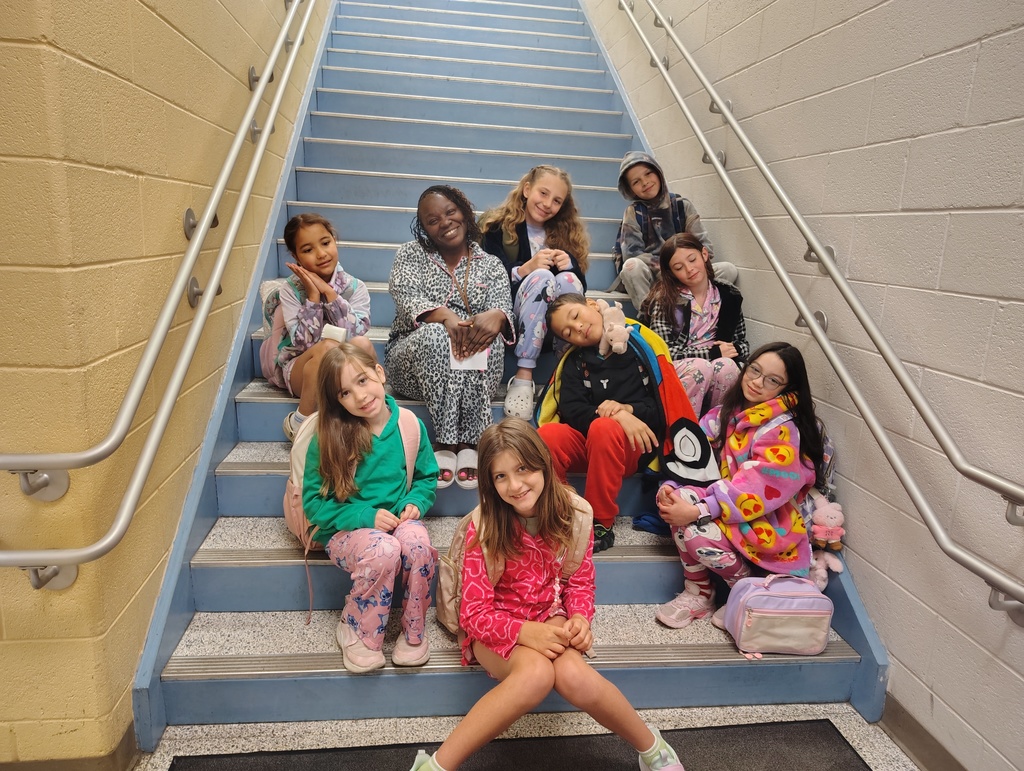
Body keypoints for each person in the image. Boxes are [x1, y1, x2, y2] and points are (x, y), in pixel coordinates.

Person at [408, 418, 686, 771]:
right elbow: (474, 614)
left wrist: (581, 617)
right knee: (536, 675)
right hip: (494, 626)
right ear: (489, 483)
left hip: (548, 616)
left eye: (523, 468)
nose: (515, 485)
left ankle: (654, 750)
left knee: (572, 675)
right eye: (500, 476)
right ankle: (434, 766)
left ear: (542, 462)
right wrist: (526, 632)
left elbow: (580, 582)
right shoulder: (485, 526)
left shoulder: (576, 515)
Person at [653, 342, 824, 629]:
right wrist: (671, 485)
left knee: (695, 530)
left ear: (787, 387)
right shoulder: (727, 413)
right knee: (677, 499)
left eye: (772, 380)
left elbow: (755, 489)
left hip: (764, 519)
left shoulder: (783, 429)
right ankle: (700, 593)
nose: (757, 382)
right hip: (724, 505)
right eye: (754, 370)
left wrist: (697, 511)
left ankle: (742, 589)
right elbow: (693, 455)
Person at [301, 343, 438, 672]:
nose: (360, 396)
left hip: (397, 521)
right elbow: (314, 504)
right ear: (338, 401)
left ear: (379, 373)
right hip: (347, 531)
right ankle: (357, 626)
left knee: (418, 546)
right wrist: (364, 516)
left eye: (362, 381)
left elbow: (426, 477)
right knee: (385, 549)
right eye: (345, 393)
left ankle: (413, 631)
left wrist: (415, 502)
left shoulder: (409, 425)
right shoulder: (330, 437)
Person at [385, 185, 515, 490]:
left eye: (450, 212)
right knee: (435, 335)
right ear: (424, 228)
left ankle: (471, 440)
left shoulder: (491, 264)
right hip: (416, 363)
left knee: (489, 336)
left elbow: (503, 308)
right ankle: (446, 441)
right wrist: (445, 318)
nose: (444, 222)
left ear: (464, 211)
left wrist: (495, 316)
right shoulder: (411, 254)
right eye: (432, 220)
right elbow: (406, 298)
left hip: (477, 361)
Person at [536, 293, 663, 553]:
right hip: (589, 443)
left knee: (603, 428)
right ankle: (562, 511)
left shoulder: (638, 349)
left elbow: (661, 407)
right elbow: (572, 412)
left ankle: (601, 522)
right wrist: (613, 413)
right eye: (568, 332)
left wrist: (628, 410)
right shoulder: (575, 361)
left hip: (631, 448)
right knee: (548, 434)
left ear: (592, 305)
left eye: (575, 316)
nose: (577, 329)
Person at [479, 165, 590, 420]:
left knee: (568, 279)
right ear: (527, 190)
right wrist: (524, 269)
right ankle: (523, 376)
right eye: (543, 193)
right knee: (541, 277)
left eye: (557, 201)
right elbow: (485, 277)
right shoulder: (495, 226)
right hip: (514, 319)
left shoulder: (564, 234)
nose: (548, 204)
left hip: (554, 327)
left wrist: (570, 264)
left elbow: (579, 287)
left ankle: (567, 369)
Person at [259, 212, 374, 441]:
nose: (321, 254)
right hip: (304, 370)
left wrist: (330, 294)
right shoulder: (290, 291)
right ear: (296, 256)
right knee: (325, 347)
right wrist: (312, 296)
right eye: (308, 249)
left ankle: (373, 412)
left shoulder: (354, 287)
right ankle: (299, 422)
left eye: (325, 243)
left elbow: (354, 335)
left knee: (363, 344)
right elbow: (303, 343)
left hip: (342, 372)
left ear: (334, 239)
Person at [640, 233, 749, 416]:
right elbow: (663, 351)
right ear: (672, 273)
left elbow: (742, 343)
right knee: (701, 366)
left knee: (728, 366)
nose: (689, 269)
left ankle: (715, 428)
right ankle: (685, 429)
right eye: (679, 267)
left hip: (717, 362)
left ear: (704, 255)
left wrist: (734, 349)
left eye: (692, 259)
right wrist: (711, 353)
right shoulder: (665, 300)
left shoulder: (729, 295)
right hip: (680, 366)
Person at [611, 150, 737, 309]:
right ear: (630, 189)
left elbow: (705, 247)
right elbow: (632, 253)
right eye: (636, 182)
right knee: (632, 267)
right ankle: (651, 318)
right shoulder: (633, 213)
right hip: (655, 279)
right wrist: (669, 269)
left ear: (658, 172)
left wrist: (684, 266)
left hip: (686, 273)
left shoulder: (682, 205)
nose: (645, 182)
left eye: (648, 173)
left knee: (728, 270)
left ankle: (698, 314)